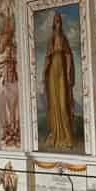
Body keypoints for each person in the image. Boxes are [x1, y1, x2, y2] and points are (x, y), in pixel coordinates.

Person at [42, 11, 76, 149]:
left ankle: (66, 136)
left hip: (61, 71)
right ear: (53, 24)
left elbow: (68, 55)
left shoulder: (63, 39)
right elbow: (47, 58)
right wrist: (45, 71)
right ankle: (55, 133)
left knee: (62, 104)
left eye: (59, 21)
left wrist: (68, 72)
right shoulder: (50, 40)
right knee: (54, 103)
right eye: (55, 21)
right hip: (52, 74)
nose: (57, 23)